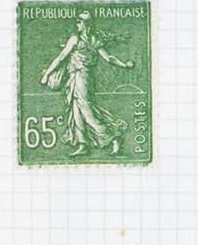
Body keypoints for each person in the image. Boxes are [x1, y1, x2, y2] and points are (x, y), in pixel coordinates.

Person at [37, 14, 133, 156]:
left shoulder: (80, 40)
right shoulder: (90, 40)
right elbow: (108, 58)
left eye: (79, 22)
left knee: (86, 110)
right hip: (76, 77)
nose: (77, 25)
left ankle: (112, 137)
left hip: (82, 77)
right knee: (76, 110)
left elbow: (107, 58)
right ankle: (83, 145)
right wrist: (124, 65)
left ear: (86, 24)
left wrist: (46, 74)